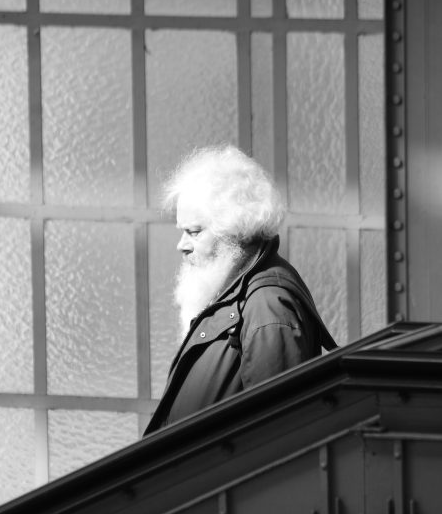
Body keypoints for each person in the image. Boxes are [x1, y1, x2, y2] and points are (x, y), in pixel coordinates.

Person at [144, 145, 337, 435]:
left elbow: (279, 436)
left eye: (194, 232)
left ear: (235, 231)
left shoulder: (269, 308)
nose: (181, 245)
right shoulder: (239, 293)